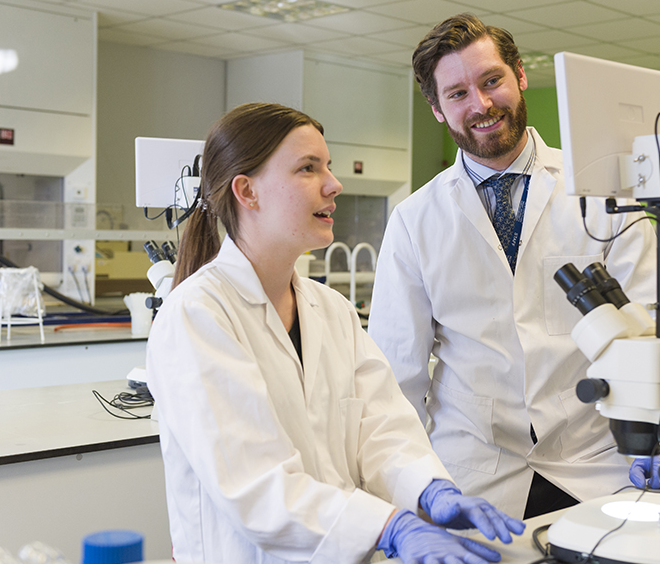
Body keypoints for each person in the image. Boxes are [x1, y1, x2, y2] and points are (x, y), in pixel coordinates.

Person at [146, 102, 525, 564]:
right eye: (308, 168)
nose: (333, 184)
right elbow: (257, 485)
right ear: (247, 191)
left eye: (328, 166)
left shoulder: (330, 310)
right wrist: (391, 525)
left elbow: (380, 426)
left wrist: (430, 491)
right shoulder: (198, 315)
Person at [368, 14, 658, 520]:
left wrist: (653, 438)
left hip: (596, 465)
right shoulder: (415, 220)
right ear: (437, 109)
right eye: (457, 94)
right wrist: (410, 491)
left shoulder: (605, 192)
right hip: (471, 477)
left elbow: (646, 331)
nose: (480, 105)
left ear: (520, 76)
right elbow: (398, 379)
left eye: (491, 81)